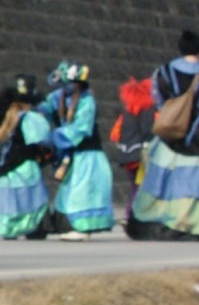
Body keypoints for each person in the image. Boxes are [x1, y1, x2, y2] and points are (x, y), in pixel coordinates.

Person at [128, 30, 199, 238]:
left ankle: (159, 221)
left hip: (169, 135)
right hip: (196, 137)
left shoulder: (164, 71)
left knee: (162, 180)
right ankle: (188, 223)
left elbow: (158, 99)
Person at [44, 61, 116, 238]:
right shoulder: (58, 97)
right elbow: (44, 107)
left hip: (87, 156)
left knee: (82, 193)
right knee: (67, 192)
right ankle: (68, 226)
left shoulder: (86, 101)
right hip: (72, 156)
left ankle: (82, 228)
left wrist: (55, 137)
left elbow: (81, 129)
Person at [0, 75, 54, 239]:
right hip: (24, 163)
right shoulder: (30, 118)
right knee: (32, 196)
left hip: (6, 165)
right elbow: (42, 139)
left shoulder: (9, 119)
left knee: (10, 197)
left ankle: (8, 227)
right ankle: (33, 226)